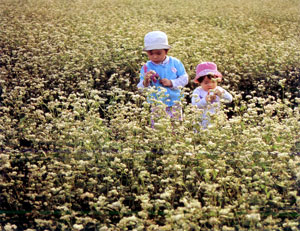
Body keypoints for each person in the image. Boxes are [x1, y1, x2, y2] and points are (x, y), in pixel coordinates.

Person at [137, 31, 188, 127]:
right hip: (156, 103)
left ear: (166, 51)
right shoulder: (146, 67)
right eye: (151, 53)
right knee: (158, 127)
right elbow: (141, 88)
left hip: (175, 101)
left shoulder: (175, 63)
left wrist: (171, 83)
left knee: (176, 126)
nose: (155, 56)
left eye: (158, 53)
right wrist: (146, 81)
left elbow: (185, 79)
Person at [191, 62, 232, 128]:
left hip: (216, 120)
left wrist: (222, 94)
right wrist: (206, 100)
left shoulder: (218, 89)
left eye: (213, 81)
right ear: (200, 82)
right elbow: (195, 105)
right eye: (206, 83)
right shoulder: (198, 91)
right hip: (201, 122)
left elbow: (230, 99)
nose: (210, 85)